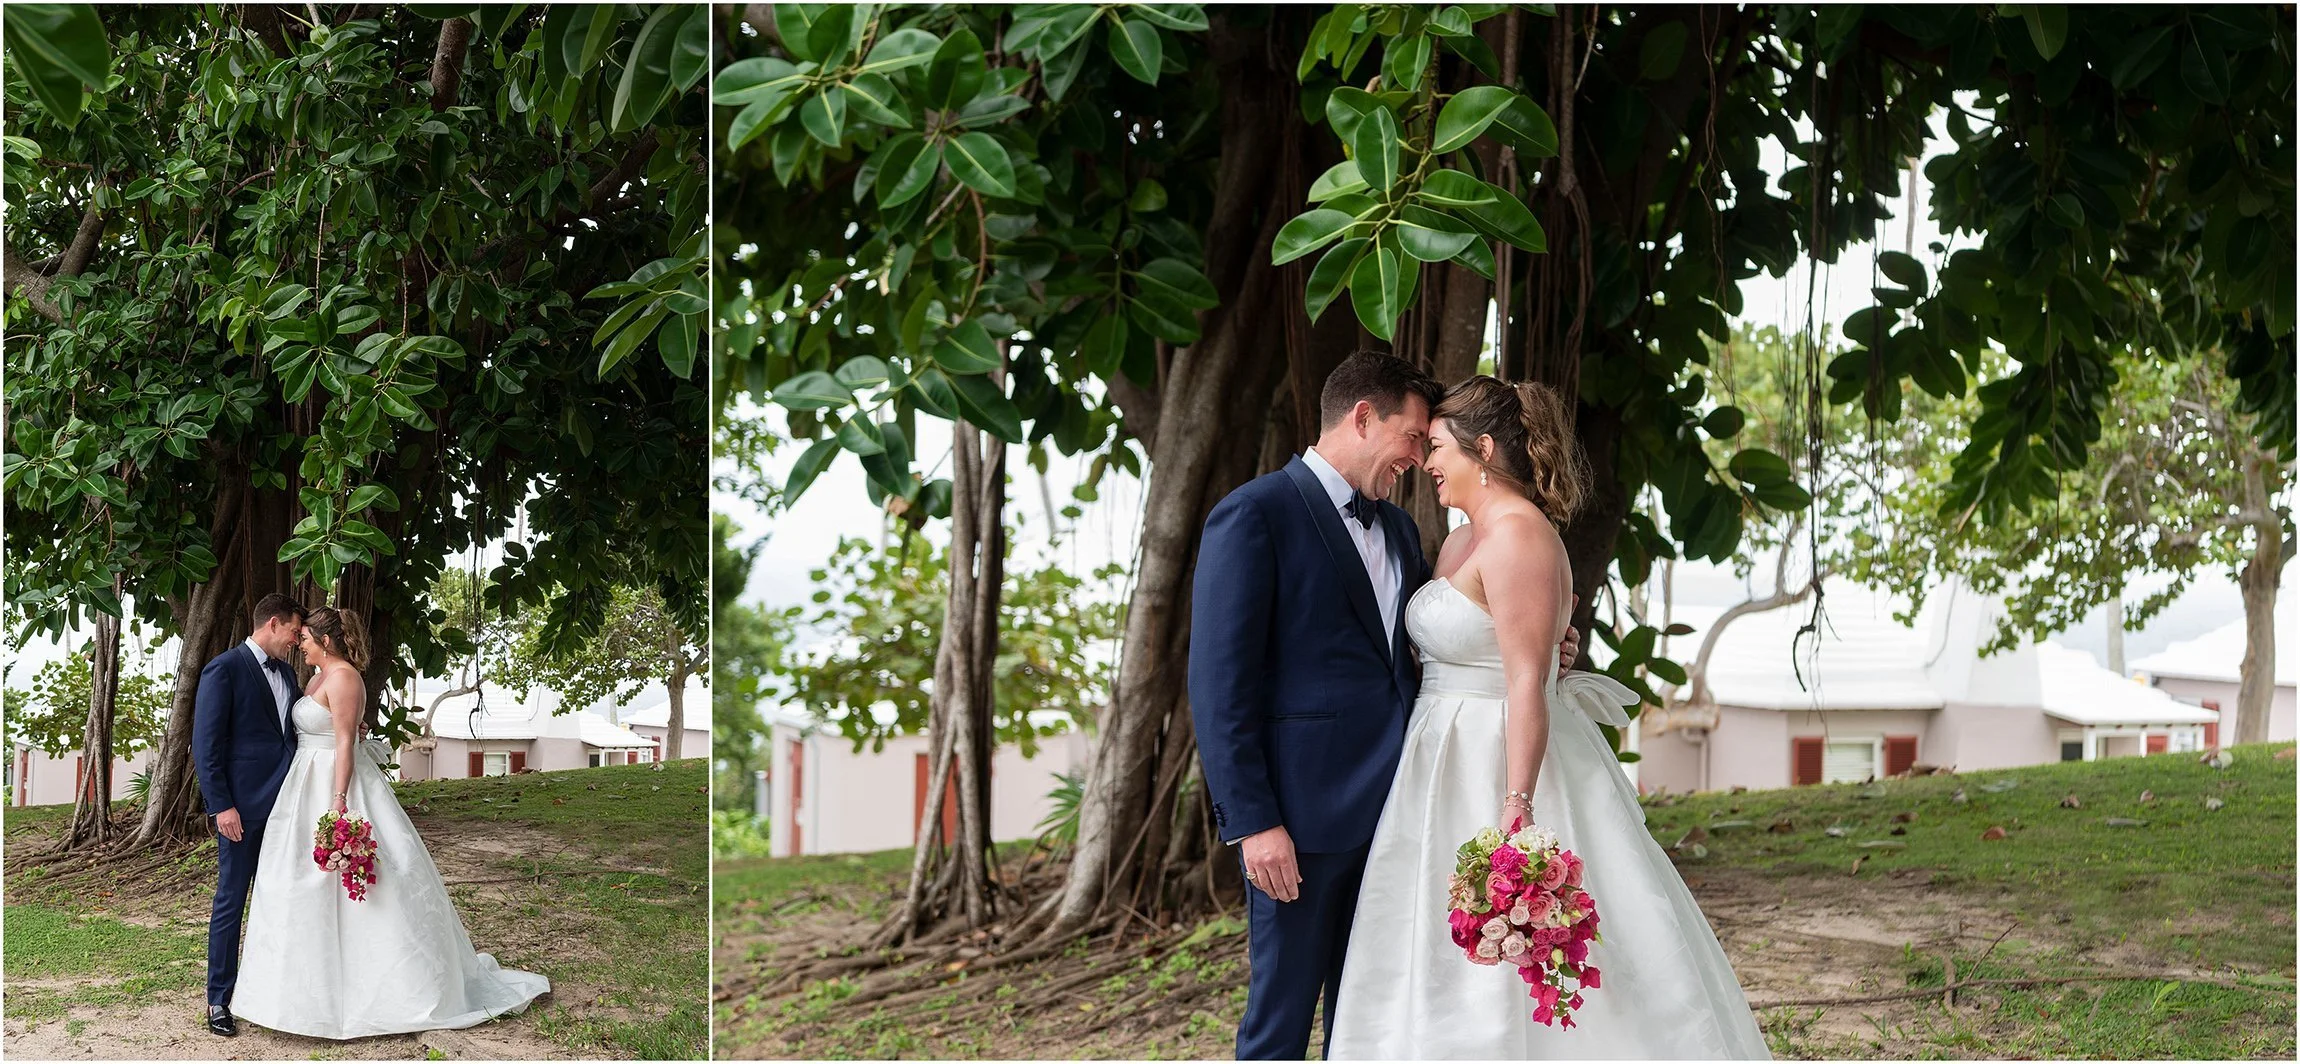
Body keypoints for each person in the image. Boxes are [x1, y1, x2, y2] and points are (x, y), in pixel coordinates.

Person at [1326, 376, 1769, 1059]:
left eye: (1437, 446)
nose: (1426, 462)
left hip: (1501, 755)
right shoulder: (1457, 543)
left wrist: (1516, 806)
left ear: (1482, 447)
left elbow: (1527, 685)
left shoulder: (1522, 539)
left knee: (1529, 941)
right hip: (1435, 758)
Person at [1189, 353, 1581, 1060]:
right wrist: (1254, 823)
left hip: (1404, 814)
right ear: (1363, 417)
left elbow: (1432, 649)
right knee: (1278, 1018)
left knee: (1375, 1011)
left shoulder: (1403, 533)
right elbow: (1220, 687)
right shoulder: (1255, 515)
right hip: (1300, 824)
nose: (1418, 456)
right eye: (1412, 437)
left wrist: (1549, 636)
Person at [227, 604, 550, 1039]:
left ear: (324, 641)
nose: (298, 644)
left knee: (361, 884)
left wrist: (338, 802)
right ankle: (294, 995)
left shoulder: (343, 677)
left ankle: (383, 991)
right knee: (294, 884)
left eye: (305, 638)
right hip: (300, 785)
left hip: (331, 784)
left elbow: (343, 743)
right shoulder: (316, 677)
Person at [191, 592, 309, 1036]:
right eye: (295, 633)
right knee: (231, 902)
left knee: (281, 901)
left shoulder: (288, 675)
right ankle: (219, 1000)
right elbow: (206, 746)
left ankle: (274, 993)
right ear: (273, 623)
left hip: (288, 809)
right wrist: (221, 805)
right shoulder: (223, 668)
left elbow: (292, 736)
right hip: (241, 812)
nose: (297, 642)